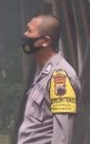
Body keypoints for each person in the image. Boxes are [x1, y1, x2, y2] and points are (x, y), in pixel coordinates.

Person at [17, 14, 80, 144]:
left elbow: (62, 136)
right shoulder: (42, 71)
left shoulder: (60, 77)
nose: (25, 34)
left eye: (29, 31)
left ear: (45, 41)